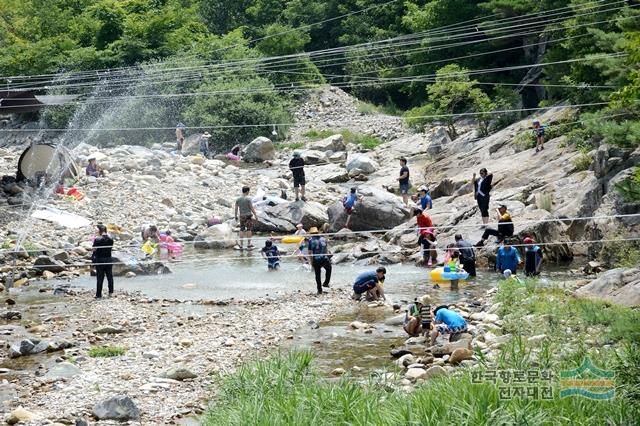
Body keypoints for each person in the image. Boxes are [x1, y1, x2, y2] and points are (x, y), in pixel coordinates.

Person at [92, 224, 114, 299]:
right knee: (109, 276)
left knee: (100, 277)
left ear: (100, 231)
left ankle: (98, 294)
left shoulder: (97, 239)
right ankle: (111, 292)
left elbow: (94, 250)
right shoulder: (111, 239)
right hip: (108, 259)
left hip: (100, 259)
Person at [307, 227, 332, 294]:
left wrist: (311, 262)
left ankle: (319, 290)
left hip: (316, 259)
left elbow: (309, 252)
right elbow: (326, 249)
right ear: (318, 232)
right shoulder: (324, 239)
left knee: (318, 275)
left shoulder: (310, 240)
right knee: (329, 269)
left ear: (311, 233)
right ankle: (326, 283)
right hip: (324, 258)